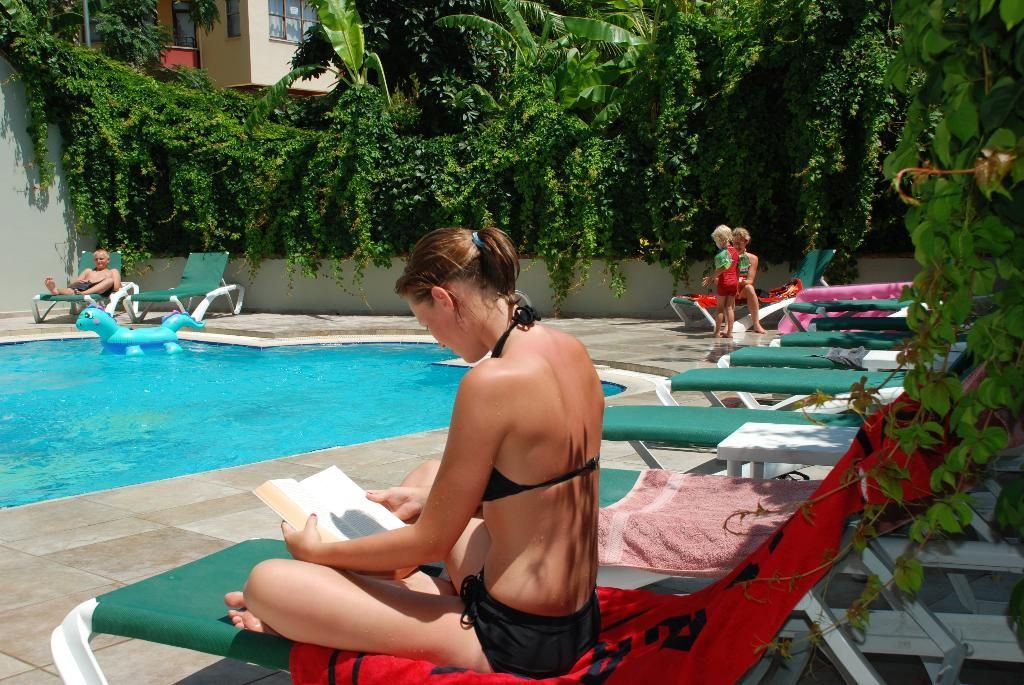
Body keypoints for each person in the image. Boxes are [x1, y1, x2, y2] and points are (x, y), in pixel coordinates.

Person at [224, 227, 604, 678]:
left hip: (515, 638)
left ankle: (327, 604)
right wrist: (432, 501)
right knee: (428, 476)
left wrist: (317, 552)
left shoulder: (491, 382)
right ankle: (358, 594)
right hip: (575, 616)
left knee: (268, 583)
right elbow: (544, 484)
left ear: (444, 298)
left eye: (427, 324)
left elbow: (432, 542)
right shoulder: (567, 349)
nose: (437, 340)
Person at [701, 224, 738, 337]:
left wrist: (711, 278)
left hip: (724, 281)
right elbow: (737, 268)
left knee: (720, 308)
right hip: (733, 282)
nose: (716, 243)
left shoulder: (722, 253)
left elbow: (722, 268)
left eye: (716, 240)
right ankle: (729, 333)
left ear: (721, 239)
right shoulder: (735, 251)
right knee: (730, 308)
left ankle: (717, 332)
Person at [43, 248, 121, 298]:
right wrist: (79, 282)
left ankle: (84, 293)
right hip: (83, 287)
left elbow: (116, 288)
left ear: (108, 260)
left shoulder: (113, 271)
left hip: (100, 289)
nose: (98, 261)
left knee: (110, 280)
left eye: (101, 259)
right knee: (71, 290)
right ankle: (55, 290)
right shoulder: (88, 271)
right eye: (96, 259)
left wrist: (95, 281)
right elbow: (73, 284)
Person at [731, 227, 767, 334]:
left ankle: (756, 324)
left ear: (746, 242)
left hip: (742, 290)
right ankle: (728, 325)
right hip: (730, 289)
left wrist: (739, 281)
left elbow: (750, 280)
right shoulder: (727, 257)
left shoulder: (752, 259)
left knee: (750, 288)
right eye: (734, 243)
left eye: (739, 243)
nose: (736, 246)